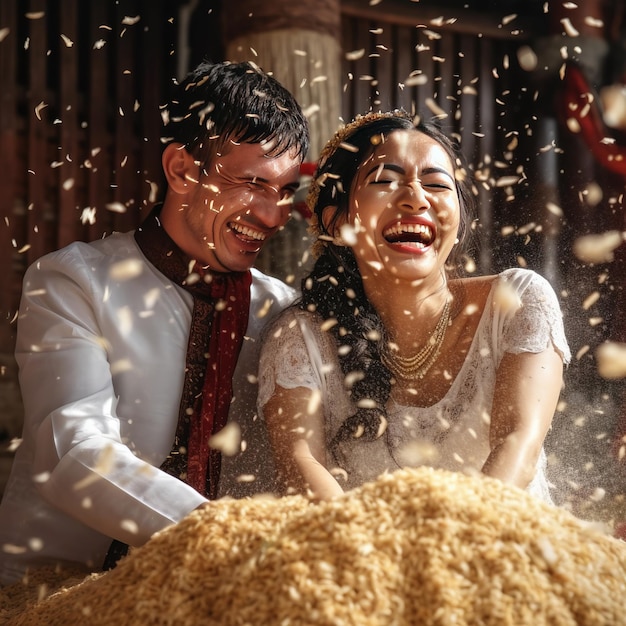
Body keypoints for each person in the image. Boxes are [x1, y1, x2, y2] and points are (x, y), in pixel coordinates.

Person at [0, 60, 309, 585]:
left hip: (227, 594)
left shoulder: (284, 313)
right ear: (182, 169)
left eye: (285, 192)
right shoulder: (73, 280)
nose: (274, 216)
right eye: (255, 184)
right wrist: (221, 533)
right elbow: (73, 450)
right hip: (57, 590)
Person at [258, 110, 570, 503]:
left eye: (438, 184)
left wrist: (450, 548)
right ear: (338, 223)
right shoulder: (300, 339)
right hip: (364, 557)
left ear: (457, 222)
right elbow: (302, 469)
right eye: (385, 181)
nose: (416, 198)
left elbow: (516, 444)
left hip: (508, 552)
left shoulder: (517, 301)